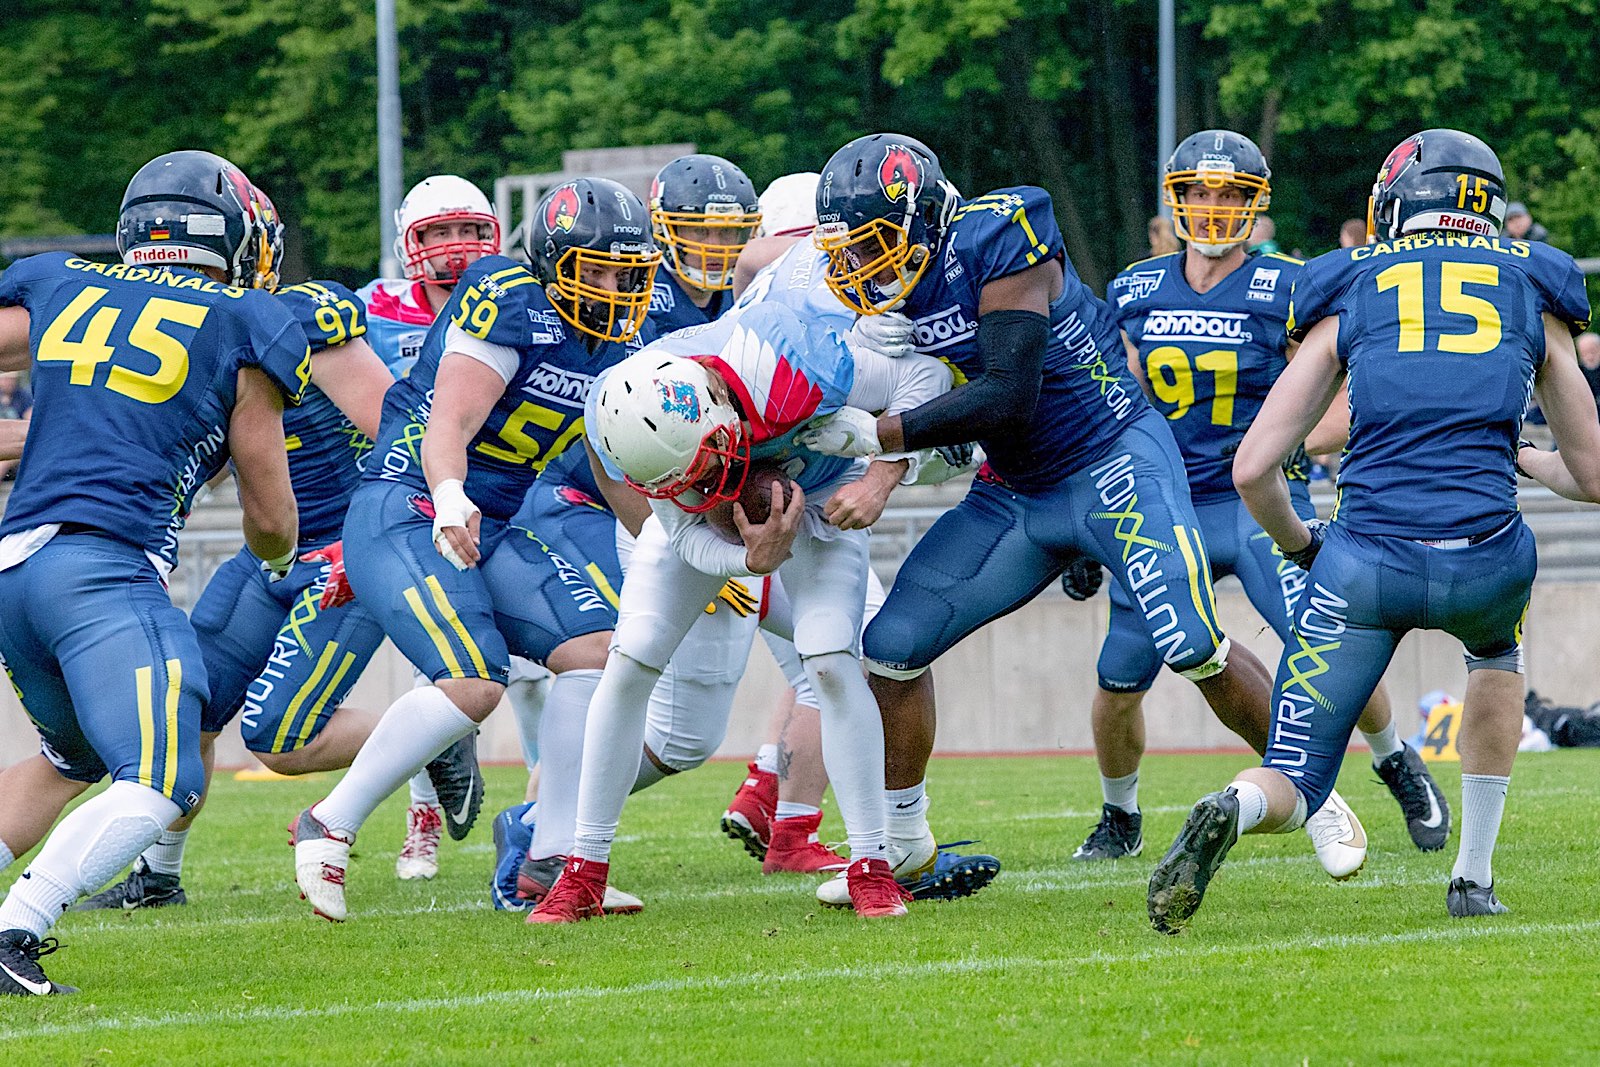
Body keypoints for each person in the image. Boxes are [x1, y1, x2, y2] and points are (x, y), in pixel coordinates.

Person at [799, 133, 1281, 907]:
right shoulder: (889, 304)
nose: (864, 269)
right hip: (1017, 489)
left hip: (1109, 458)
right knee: (889, 648)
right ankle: (904, 841)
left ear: (926, 219)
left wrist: (879, 438)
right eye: (850, 253)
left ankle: (1309, 786)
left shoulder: (1002, 232)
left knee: (1191, 642)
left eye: (878, 246)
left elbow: (1007, 394)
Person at [1147, 129, 1598, 933]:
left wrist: (1302, 547)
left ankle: (1237, 805)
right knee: (1496, 657)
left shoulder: (1352, 283)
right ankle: (1473, 873)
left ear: (1396, 204)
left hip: (1362, 563)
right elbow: (1592, 474)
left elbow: (1254, 467)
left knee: (1297, 775)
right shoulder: (1535, 283)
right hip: (1486, 556)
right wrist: (1524, 457)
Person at [290, 178, 660, 923]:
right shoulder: (508, 293)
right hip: (412, 500)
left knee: (597, 652)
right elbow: (448, 423)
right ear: (557, 262)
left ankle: (550, 858)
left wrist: (666, 544)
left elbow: (610, 465)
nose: (617, 285)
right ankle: (329, 821)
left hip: (488, 518)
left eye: (627, 269)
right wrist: (452, 493)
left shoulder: (615, 340)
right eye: (598, 268)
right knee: (474, 680)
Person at [1078, 130, 1448, 868]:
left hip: (1260, 503)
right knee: (1119, 676)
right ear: (1175, 200)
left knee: (1326, 646)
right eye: (1200, 193)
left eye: (1232, 195)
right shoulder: (1135, 288)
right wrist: (1090, 513)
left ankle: (1396, 759)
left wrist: (1298, 446)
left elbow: (1342, 393)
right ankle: (1120, 813)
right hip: (1164, 508)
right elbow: (1105, 406)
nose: (1214, 209)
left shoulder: (1289, 284)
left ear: (1257, 206)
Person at [529, 290, 958, 922]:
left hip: (820, 491)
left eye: (705, 468)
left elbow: (928, 375)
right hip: (730, 525)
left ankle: (870, 864)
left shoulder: (798, 364)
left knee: (832, 656)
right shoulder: (631, 418)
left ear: (718, 403)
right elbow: (679, 529)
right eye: (688, 479)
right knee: (631, 659)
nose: (703, 486)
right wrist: (748, 563)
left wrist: (879, 470)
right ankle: (583, 867)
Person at [0, 150, 308, 994]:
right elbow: (271, 508)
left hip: (16, 567)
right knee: (167, 776)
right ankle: (12, 933)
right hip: (99, 570)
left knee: (68, 759)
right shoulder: (247, 320)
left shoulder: (63, 283)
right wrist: (278, 561)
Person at [72, 183, 399, 911]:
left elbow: (399, 433)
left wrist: (384, 534)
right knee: (188, 711)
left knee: (281, 740)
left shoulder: (307, 315)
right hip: (267, 551)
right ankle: (157, 876)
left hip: (342, 548)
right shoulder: (193, 337)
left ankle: (430, 740)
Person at [358, 173, 520, 879]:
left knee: (531, 673)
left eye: (470, 231)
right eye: (436, 233)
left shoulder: (516, 300)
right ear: (406, 242)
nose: (455, 249)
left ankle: (550, 819)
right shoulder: (372, 311)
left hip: (501, 499)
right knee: (448, 662)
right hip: (402, 499)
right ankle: (425, 800)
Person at [647, 153, 762, 331]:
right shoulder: (636, 294)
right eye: (699, 230)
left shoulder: (752, 291)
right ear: (661, 229)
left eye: (727, 231)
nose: (715, 246)